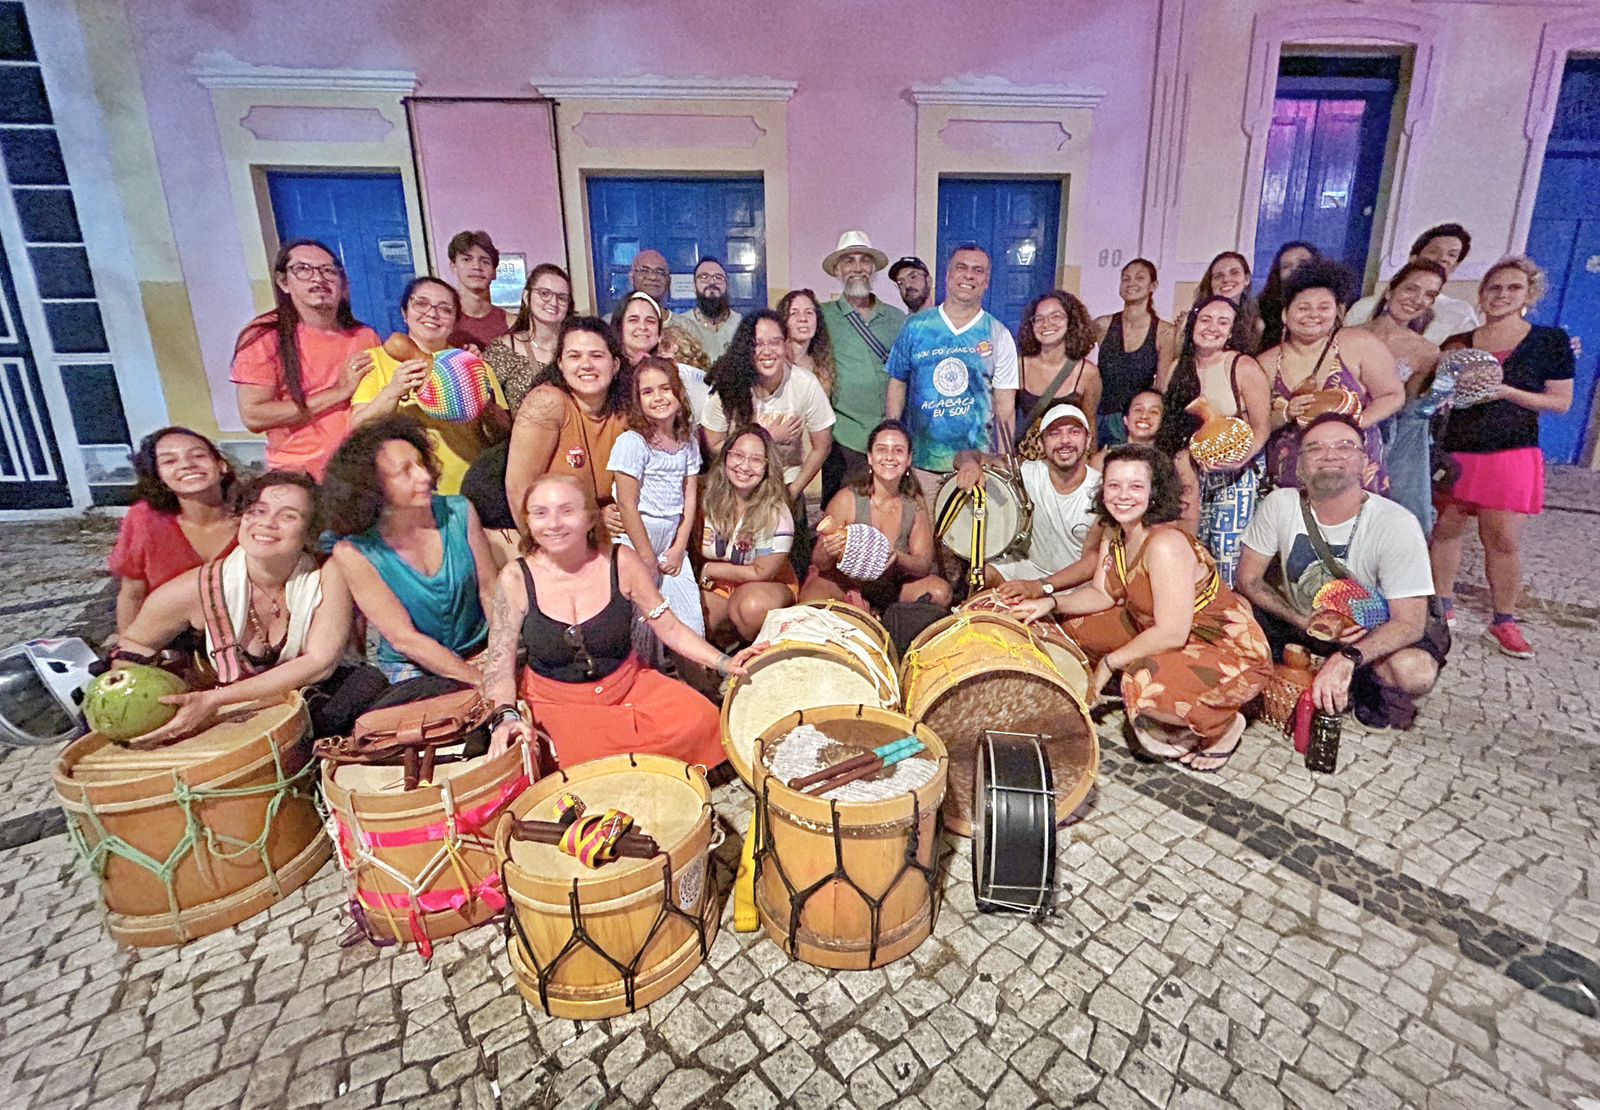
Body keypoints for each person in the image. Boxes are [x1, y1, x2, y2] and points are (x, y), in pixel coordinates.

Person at [1012, 445, 1271, 770]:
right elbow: (1102, 594)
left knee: (1141, 683)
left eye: (1136, 486)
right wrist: (1050, 601)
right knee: (1074, 626)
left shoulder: (1165, 544)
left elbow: (1172, 633)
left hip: (1225, 648)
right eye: (1114, 485)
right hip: (1158, 628)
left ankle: (1223, 726)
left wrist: (1110, 663)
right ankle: (1170, 696)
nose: (1123, 495)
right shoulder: (1115, 531)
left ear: (1154, 492)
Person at [481, 475, 756, 767]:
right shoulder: (515, 578)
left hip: (630, 686)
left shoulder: (622, 561)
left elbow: (670, 628)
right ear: (528, 521)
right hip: (557, 702)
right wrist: (505, 717)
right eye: (540, 513)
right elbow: (499, 662)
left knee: (704, 719)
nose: (553, 524)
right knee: (580, 761)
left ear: (590, 518)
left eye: (566, 511)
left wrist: (724, 662)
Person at [111, 471, 383, 744]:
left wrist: (215, 699)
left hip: (310, 707)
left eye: (288, 516)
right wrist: (136, 701)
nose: (267, 523)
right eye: (257, 511)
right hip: (231, 721)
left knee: (365, 686)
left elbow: (320, 663)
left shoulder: (328, 573)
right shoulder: (198, 589)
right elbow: (134, 645)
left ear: (311, 531)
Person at [1237, 413, 1448, 730]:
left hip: (1370, 632)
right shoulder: (1280, 504)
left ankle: (1359, 681)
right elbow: (1249, 580)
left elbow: (1410, 622)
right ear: (1299, 467)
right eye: (1315, 448)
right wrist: (1300, 620)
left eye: (1345, 446)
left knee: (1413, 671)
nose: (1330, 455)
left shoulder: (1396, 523)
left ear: (1366, 463)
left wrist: (1349, 656)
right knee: (1234, 612)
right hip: (1302, 622)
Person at [1431, 255, 1574, 658]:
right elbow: (1438, 394)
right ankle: (1441, 605)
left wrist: (1507, 392)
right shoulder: (1459, 343)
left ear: (1529, 294)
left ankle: (1504, 620)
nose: (1502, 295)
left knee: (1503, 538)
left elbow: (1560, 402)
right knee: (1446, 529)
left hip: (1510, 451)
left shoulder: (1549, 341)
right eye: (1494, 288)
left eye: (1513, 288)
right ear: (1482, 294)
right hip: (1458, 450)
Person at [325, 416, 496, 685]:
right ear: (372, 486)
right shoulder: (353, 552)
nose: (424, 476)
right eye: (405, 471)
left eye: (421, 463)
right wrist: (478, 681)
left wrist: (500, 661)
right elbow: (404, 638)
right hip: (411, 664)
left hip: (482, 649)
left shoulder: (460, 511)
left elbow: (490, 591)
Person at [231, 239, 380, 479]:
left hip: (359, 470)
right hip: (299, 475)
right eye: (303, 269)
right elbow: (254, 416)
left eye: (328, 271)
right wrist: (340, 392)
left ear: (343, 283)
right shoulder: (265, 336)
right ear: (284, 282)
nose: (318, 279)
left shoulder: (364, 336)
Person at [885, 243, 1019, 508]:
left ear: (986, 282)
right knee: (921, 532)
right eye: (961, 268)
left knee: (970, 534)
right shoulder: (916, 327)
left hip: (976, 466)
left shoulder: (998, 334)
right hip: (922, 462)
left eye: (978, 270)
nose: (969, 275)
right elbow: (897, 383)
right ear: (947, 276)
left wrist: (1004, 459)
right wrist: (892, 438)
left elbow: (1005, 407)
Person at [350, 276, 511, 496]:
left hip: (468, 485)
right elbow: (359, 427)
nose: (432, 314)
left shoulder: (472, 365)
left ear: (455, 321)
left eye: (445, 309)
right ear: (404, 312)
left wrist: (486, 407)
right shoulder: (375, 361)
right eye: (421, 303)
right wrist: (393, 390)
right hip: (403, 492)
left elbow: (503, 433)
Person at [702, 311, 835, 573]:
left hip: (784, 486)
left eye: (774, 342)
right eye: (758, 344)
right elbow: (714, 444)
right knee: (737, 563)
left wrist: (793, 491)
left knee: (789, 569)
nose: (767, 351)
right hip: (735, 489)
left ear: (786, 345)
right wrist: (766, 438)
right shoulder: (729, 384)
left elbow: (822, 445)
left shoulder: (804, 384)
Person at [1156, 295, 1272, 586]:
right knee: (1189, 551)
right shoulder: (1176, 368)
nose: (1212, 327)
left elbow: (1262, 427)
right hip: (1188, 473)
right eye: (1205, 319)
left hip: (1234, 476)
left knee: (1224, 555)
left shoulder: (1243, 366)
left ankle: (1227, 610)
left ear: (1232, 331)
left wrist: (1238, 460)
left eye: (1223, 322)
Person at [1260, 259, 1403, 495]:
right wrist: (1285, 414)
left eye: (1324, 307)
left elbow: (1393, 395)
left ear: (1337, 312)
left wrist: (1355, 424)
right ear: (1285, 314)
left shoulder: (1358, 344)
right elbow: (1256, 423)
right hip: (1292, 477)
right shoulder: (1265, 363)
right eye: (1303, 308)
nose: (1313, 315)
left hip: (1353, 472)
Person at [802, 419, 950, 613]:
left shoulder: (914, 504)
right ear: (870, 457)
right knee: (812, 601)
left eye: (898, 451)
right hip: (845, 583)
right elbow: (819, 562)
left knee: (940, 592)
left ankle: (891, 618)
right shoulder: (846, 499)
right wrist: (829, 551)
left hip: (892, 587)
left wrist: (897, 558)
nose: (889, 457)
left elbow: (923, 564)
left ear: (908, 459)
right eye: (881, 449)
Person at [607, 356, 704, 638]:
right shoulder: (632, 442)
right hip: (637, 540)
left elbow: (689, 499)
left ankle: (694, 666)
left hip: (671, 541)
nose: (658, 397)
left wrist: (679, 547)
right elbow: (626, 504)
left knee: (690, 623)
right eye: (648, 392)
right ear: (638, 400)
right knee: (643, 625)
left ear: (678, 392)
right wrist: (646, 557)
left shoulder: (687, 442)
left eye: (665, 388)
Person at [111, 427, 239, 634]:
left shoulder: (254, 518)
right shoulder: (144, 519)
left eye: (198, 455)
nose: (187, 465)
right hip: (170, 641)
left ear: (221, 466)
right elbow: (132, 594)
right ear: (159, 476)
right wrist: (128, 647)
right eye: (169, 461)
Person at [1356, 260, 1448, 533]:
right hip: (1342, 430)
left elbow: (1408, 407)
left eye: (1430, 295)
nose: (1418, 300)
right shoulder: (1349, 335)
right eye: (1411, 289)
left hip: (1387, 441)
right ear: (1390, 291)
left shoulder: (1426, 351)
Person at [818, 231, 907, 502]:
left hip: (889, 439)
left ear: (874, 269)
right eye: (849, 261)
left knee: (888, 509)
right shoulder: (822, 316)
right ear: (837, 270)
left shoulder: (897, 318)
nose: (857, 268)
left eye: (865, 260)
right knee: (840, 513)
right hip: (843, 438)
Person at [697, 427, 801, 642]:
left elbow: (761, 573)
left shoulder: (776, 511)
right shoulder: (704, 495)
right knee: (693, 617)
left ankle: (756, 652)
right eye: (738, 455)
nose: (744, 466)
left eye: (756, 460)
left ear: (767, 467)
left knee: (751, 607)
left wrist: (710, 569)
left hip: (767, 585)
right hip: (718, 586)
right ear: (725, 457)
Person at [988, 404, 1103, 599]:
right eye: (1055, 433)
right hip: (1028, 568)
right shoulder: (1027, 473)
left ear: (1088, 440)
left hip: (1074, 582)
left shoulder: (1101, 490)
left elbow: (1092, 560)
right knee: (982, 576)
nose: (1065, 440)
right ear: (1041, 443)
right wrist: (969, 464)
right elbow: (976, 458)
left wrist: (1040, 586)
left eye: (1074, 432)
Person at [1346, 223, 1480, 342]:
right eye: (1434, 251)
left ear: (1456, 265)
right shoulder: (1364, 307)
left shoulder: (1461, 313)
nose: (1443, 258)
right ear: (1413, 258)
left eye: (1452, 255)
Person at [1092, 259, 1178, 445]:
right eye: (1126, 278)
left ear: (1153, 285)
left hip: (1136, 422)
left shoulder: (1164, 332)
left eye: (1140, 278)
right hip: (1100, 418)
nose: (1131, 283)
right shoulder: (1102, 325)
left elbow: (1161, 387)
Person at [484, 263, 573, 414]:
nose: (553, 302)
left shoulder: (577, 348)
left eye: (562, 298)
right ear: (527, 296)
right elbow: (486, 402)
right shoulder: (505, 349)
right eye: (544, 293)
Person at [610, 290, 710, 424]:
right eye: (633, 320)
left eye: (650, 321)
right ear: (620, 326)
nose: (642, 327)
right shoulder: (610, 371)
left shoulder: (672, 370)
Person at [1016, 290, 1101, 448]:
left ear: (1071, 322)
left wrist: (1092, 461)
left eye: (1056, 316)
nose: (1046, 324)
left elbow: (1090, 424)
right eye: (1039, 319)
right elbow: (1004, 417)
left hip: (1068, 455)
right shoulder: (1019, 366)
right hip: (1028, 456)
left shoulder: (1087, 373)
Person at [445, 230, 511, 350]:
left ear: (495, 272)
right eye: (467, 260)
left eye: (485, 261)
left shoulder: (511, 323)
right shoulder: (443, 320)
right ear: (453, 266)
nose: (476, 267)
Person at [1192, 251, 1263, 353]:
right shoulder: (1193, 320)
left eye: (1234, 273)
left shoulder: (1257, 325)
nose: (1226, 279)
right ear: (1210, 283)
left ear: (1246, 279)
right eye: (1218, 276)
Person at [675, 257, 742, 362]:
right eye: (704, 277)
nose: (712, 282)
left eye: (718, 278)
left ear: (726, 286)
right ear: (694, 285)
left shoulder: (741, 324)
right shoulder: (680, 326)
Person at [1257, 241, 1320, 351]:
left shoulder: (1332, 307)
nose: (1294, 269)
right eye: (1286, 266)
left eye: (1302, 263)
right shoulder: (1263, 313)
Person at [777, 288, 838, 398]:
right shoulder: (775, 364)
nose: (803, 318)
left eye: (809, 312)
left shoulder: (822, 368)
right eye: (794, 313)